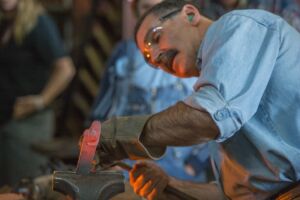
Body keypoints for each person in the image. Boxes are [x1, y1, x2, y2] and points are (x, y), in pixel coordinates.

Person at [95, 0, 300, 199]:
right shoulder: (216, 88)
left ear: (190, 14)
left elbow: (207, 119)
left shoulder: (240, 26)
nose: (157, 57)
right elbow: (229, 195)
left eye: (156, 38)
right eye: (149, 60)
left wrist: (120, 134)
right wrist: (170, 185)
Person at [89, 0, 212, 182]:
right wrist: (101, 150)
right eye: (146, 7)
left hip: (181, 169)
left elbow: (217, 116)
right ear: (136, 11)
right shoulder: (125, 53)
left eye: (158, 6)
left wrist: (194, 164)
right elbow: (103, 107)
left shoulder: (204, 57)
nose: (156, 56)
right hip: (129, 165)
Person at [0, 0, 75, 187]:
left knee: (25, 187)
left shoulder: (38, 22)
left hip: (28, 124)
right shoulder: (7, 22)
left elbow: (66, 68)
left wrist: (41, 101)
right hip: (7, 119)